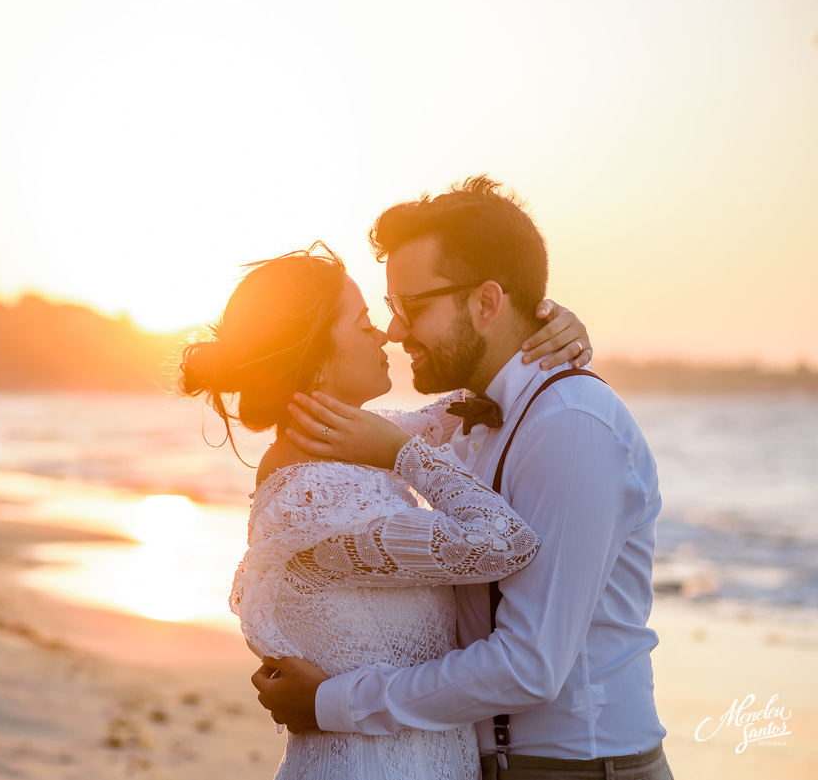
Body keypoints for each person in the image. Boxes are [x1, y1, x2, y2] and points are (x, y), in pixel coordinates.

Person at [254, 176, 673, 780]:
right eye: (389, 308)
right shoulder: (462, 421)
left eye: (412, 307)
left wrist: (333, 703)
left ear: (486, 303)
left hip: (579, 768)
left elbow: (529, 665)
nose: (395, 330)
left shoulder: (572, 424)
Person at [179, 242, 593, 780]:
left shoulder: (338, 453)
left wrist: (546, 332)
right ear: (318, 361)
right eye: (363, 323)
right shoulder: (315, 497)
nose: (384, 335)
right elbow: (506, 543)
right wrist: (404, 455)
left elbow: (464, 408)